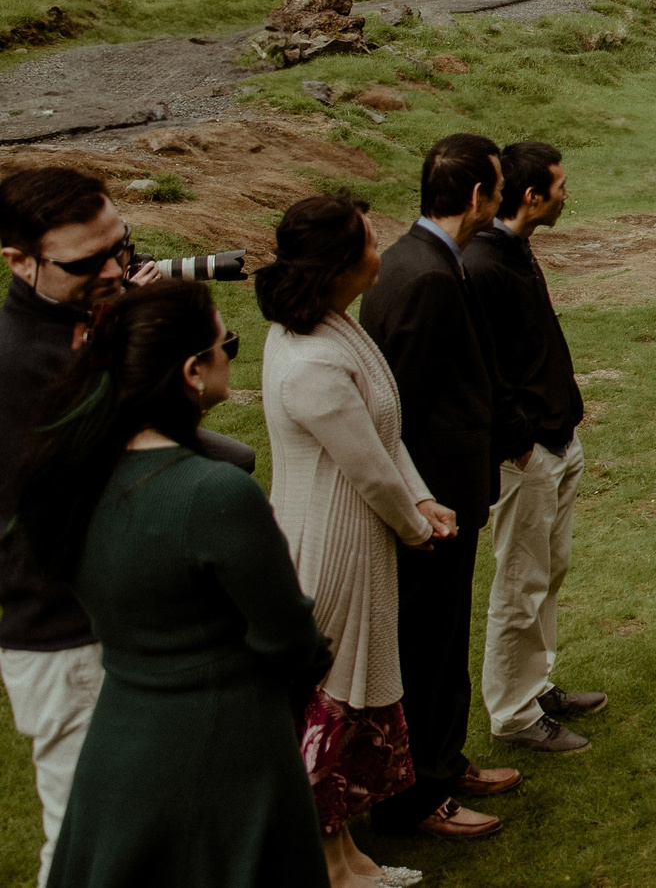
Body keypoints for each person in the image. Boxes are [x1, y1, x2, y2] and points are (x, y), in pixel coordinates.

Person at [18, 280, 333, 888]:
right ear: (193, 371)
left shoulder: (72, 474)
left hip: (120, 737)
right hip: (227, 750)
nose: (228, 357)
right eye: (227, 345)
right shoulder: (213, 494)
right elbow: (290, 640)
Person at [258, 193, 455, 888]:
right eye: (372, 242)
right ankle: (327, 866)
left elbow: (384, 433)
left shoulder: (335, 323)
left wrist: (423, 497)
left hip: (359, 533)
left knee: (344, 696)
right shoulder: (309, 358)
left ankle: (346, 857)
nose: (383, 250)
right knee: (330, 705)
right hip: (330, 543)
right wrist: (412, 525)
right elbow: (366, 468)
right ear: (341, 263)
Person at [0, 166, 157, 883]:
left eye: (119, 248)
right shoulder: (23, 365)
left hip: (107, 622)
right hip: (64, 635)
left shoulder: (77, 329)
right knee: (88, 844)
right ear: (18, 261)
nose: (113, 270)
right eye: (85, 263)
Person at [360, 133, 516, 840]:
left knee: (447, 634)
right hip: (433, 504)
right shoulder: (422, 274)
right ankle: (418, 793)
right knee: (423, 644)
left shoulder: (429, 260)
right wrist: (420, 503)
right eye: (499, 186)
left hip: (453, 494)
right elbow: (403, 409)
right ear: (479, 196)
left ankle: (445, 761)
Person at [468, 140, 606, 754]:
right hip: (526, 454)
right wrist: (519, 442)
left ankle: (536, 683)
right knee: (519, 581)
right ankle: (514, 714)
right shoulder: (482, 266)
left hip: (556, 439)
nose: (566, 194)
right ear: (533, 196)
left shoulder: (516, 250)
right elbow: (481, 368)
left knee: (549, 570)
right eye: (561, 184)